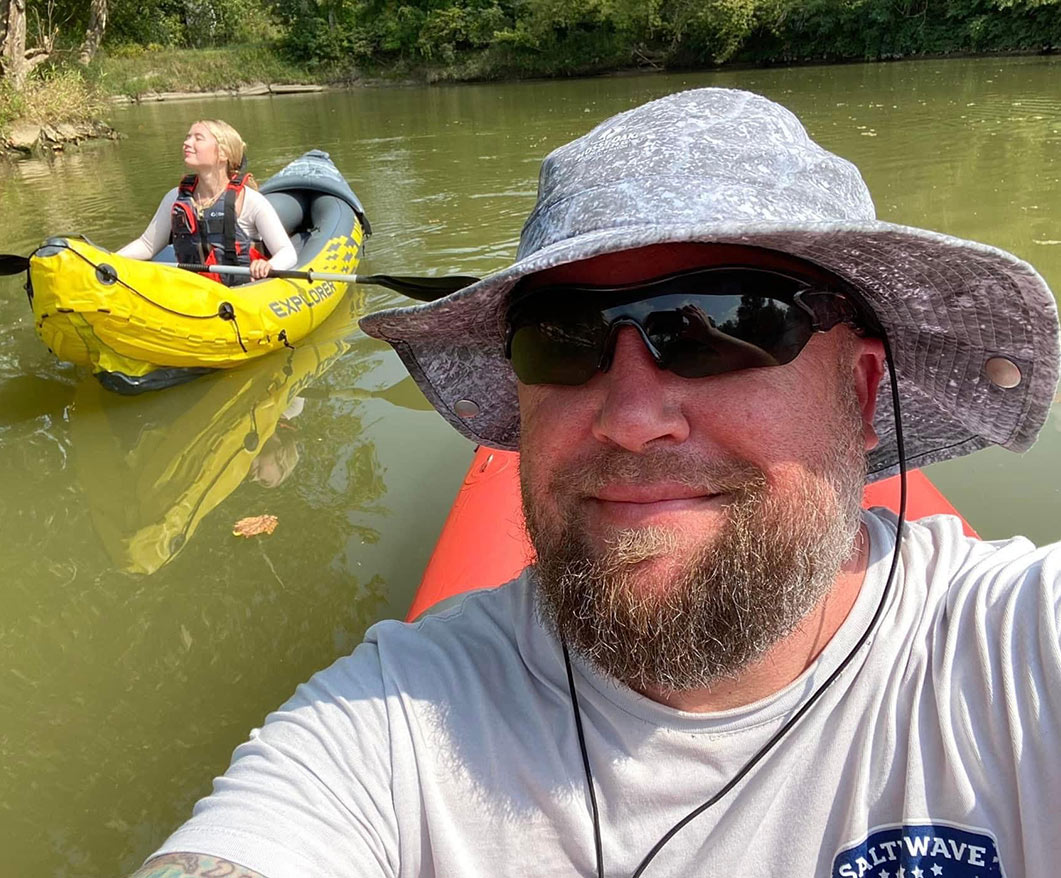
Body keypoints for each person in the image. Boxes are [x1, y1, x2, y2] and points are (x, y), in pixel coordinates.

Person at [130, 89, 1061, 878]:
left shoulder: (1021, 656)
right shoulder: (388, 724)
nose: (628, 415)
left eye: (724, 324)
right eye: (562, 336)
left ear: (861, 393)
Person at [118, 119, 297, 283]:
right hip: (194, 292)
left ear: (223, 153)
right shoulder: (174, 197)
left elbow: (287, 253)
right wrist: (109, 258)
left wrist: (268, 266)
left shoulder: (249, 200)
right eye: (188, 138)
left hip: (241, 293)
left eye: (198, 138)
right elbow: (148, 245)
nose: (187, 143)